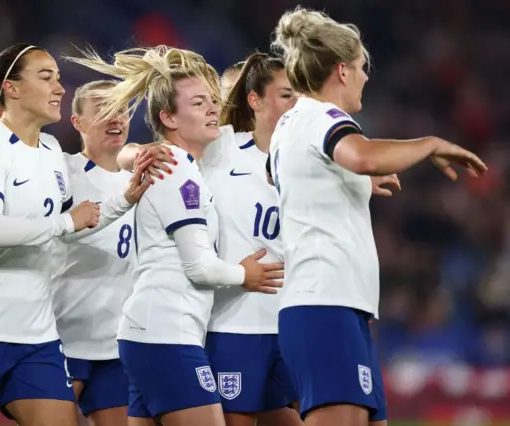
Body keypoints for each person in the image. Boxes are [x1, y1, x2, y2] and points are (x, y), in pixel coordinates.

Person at [268, 7, 487, 426]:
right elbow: (362, 155)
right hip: (325, 304)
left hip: (333, 307)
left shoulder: (292, 124)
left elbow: (301, 181)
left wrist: (349, 184)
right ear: (342, 71)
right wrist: (430, 143)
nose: (367, 77)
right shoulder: (323, 117)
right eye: (362, 67)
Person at [0, 43, 153, 426]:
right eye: (46, 77)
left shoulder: (51, 150)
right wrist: (66, 222)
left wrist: (121, 202)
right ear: (12, 89)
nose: (59, 88)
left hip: (36, 335)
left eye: (58, 78)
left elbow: (63, 232)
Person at [66, 45, 284, 426]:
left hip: (150, 333)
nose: (213, 109)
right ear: (169, 117)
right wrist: (243, 276)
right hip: (167, 335)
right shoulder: (176, 172)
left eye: (212, 101)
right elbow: (198, 265)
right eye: (199, 103)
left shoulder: (185, 167)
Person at [200, 52, 302, 426]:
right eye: (288, 94)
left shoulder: (310, 158)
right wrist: (134, 155)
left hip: (290, 320)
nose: (296, 103)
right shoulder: (222, 146)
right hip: (235, 323)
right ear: (254, 100)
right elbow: (164, 149)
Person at [52, 79, 136, 426]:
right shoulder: (61, 172)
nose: (115, 118)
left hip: (116, 341)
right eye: (102, 110)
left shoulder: (144, 177)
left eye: (121, 109)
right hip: (62, 336)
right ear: (78, 123)